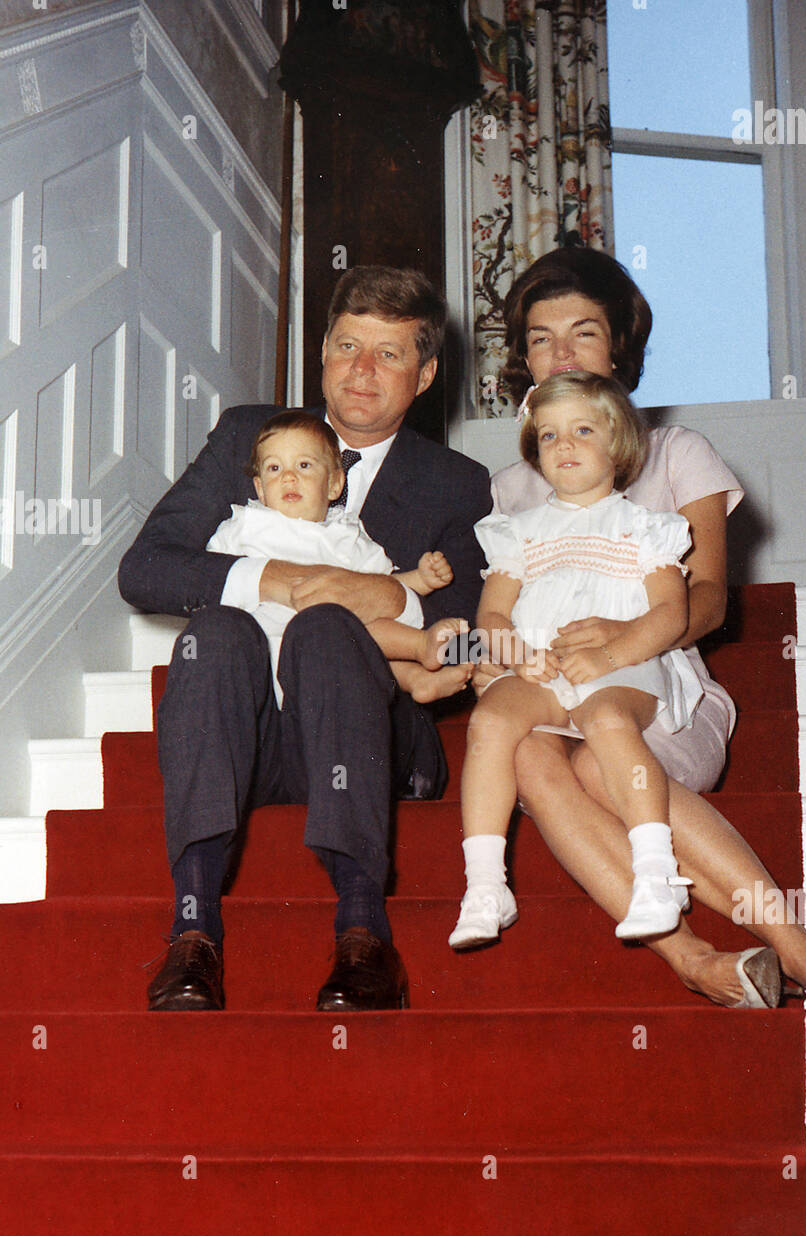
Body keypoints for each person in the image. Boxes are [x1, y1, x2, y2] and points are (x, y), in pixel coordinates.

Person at [480, 246, 806, 1013]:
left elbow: (710, 601)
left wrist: (625, 634)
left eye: (583, 333)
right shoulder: (509, 488)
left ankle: (801, 950)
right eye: (541, 338)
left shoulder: (677, 453)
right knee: (532, 753)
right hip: (554, 697)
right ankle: (694, 958)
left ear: (618, 348)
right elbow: (502, 612)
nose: (560, 354)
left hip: (661, 690)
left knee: (593, 763)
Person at [118, 265, 493, 1013]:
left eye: (388, 355)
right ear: (320, 350)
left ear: (423, 376)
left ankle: (363, 934)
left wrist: (384, 594)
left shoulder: (457, 480)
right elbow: (146, 569)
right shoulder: (247, 436)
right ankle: (192, 934)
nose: (360, 371)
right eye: (347, 346)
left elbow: (463, 630)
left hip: (365, 732)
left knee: (325, 628)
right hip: (247, 735)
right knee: (217, 630)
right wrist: (279, 578)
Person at [453, 372, 700, 949]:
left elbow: (670, 614)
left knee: (607, 722)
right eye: (548, 436)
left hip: (621, 665)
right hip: (541, 665)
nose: (563, 446)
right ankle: (487, 885)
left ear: (618, 444)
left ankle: (656, 872)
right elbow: (490, 617)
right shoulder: (519, 532)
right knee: (490, 721)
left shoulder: (645, 529)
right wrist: (515, 650)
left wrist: (612, 653)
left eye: (582, 431)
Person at [206, 408, 472, 707]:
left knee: (366, 630)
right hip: (262, 648)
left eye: (304, 465)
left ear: (335, 484)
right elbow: (211, 578)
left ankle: (419, 666)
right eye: (274, 468)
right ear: (259, 489)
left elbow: (382, 587)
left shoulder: (346, 535)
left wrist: (420, 579)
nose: (289, 477)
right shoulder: (244, 525)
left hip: (333, 660)